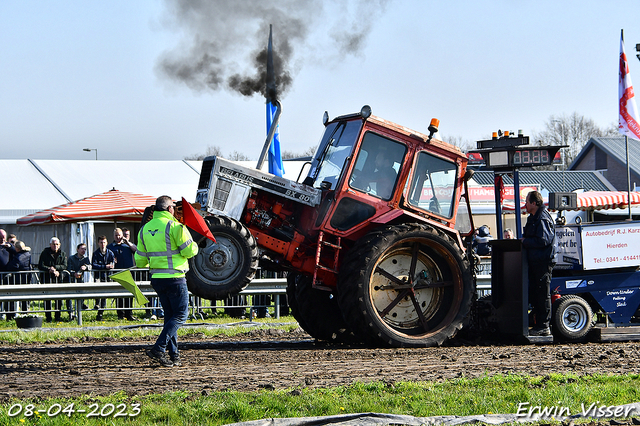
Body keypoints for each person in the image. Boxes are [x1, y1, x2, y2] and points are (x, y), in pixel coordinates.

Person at [136, 195, 198, 367]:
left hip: (157, 279)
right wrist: (194, 243)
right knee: (181, 315)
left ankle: (174, 355)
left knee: (170, 317)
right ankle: (159, 348)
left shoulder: (144, 229)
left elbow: (140, 261)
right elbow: (190, 251)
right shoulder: (176, 227)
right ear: (170, 209)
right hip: (175, 278)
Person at [522, 190, 557, 337]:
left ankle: (543, 325)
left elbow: (544, 240)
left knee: (542, 293)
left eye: (527, 202)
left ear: (534, 203)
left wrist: (525, 242)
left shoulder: (542, 219)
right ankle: (537, 322)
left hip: (543, 261)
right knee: (536, 293)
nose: (525, 204)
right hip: (536, 261)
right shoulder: (533, 218)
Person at [108, 227, 137, 320]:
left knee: (129, 294)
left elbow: (136, 250)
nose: (118, 237)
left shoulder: (127, 245)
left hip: (129, 272)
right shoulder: (110, 247)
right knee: (119, 295)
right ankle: (120, 314)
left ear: (122, 235)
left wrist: (127, 242)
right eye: (116, 235)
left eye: (119, 235)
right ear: (113, 236)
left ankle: (129, 314)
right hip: (117, 273)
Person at [38, 237, 68, 322]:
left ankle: (58, 317)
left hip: (58, 280)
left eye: (57, 244)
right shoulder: (45, 253)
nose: (55, 246)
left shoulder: (62, 253)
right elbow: (40, 265)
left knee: (58, 299)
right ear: (50, 245)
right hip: (47, 279)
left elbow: (65, 265)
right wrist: (49, 269)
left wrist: (56, 268)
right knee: (47, 299)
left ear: (59, 245)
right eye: (53, 244)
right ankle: (48, 317)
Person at [92, 235, 115, 321]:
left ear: (107, 243)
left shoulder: (110, 253)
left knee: (104, 296)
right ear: (98, 243)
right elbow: (94, 265)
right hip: (98, 277)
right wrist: (105, 266)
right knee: (98, 294)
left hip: (107, 277)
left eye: (104, 242)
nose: (102, 244)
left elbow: (113, 264)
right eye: (101, 242)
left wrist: (110, 266)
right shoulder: (96, 253)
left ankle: (100, 313)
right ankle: (97, 304)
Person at [6, 240, 32, 314]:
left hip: (19, 279)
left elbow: (14, 265)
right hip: (26, 277)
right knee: (24, 297)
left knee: (14, 296)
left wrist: (7, 266)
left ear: (17, 248)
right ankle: (25, 312)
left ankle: (12, 314)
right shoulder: (27, 254)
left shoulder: (18, 257)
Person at [68, 243, 91, 310]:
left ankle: (80, 307)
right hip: (71, 280)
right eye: (82, 249)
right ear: (77, 249)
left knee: (82, 293)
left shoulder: (86, 259)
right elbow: (68, 269)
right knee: (70, 296)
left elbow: (90, 266)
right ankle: (70, 309)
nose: (83, 251)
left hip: (81, 280)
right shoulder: (71, 258)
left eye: (85, 249)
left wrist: (86, 267)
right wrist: (73, 273)